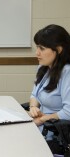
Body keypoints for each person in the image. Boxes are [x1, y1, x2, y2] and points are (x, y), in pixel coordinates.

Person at [28, 24, 70, 152]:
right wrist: (33, 107)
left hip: (56, 137)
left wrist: (42, 119)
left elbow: (68, 112)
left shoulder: (67, 72)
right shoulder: (43, 67)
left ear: (59, 49)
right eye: (37, 47)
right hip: (40, 129)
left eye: (42, 48)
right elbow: (34, 95)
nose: (37, 53)